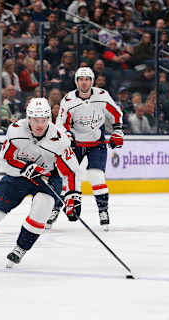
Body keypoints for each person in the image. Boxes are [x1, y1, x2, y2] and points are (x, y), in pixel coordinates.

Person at [0, 98, 81, 267]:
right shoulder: (16, 130)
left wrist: (73, 198)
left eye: (44, 120)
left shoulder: (60, 139)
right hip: (19, 175)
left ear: (49, 119)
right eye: (35, 120)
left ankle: (20, 249)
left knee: (42, 206)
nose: (40, 124)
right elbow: (6, 161)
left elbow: (71, 171)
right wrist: (26, 168)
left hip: (48, 177)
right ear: (28, 118)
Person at [51, 67, 123, 231]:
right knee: (66, 178)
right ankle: (55, 208)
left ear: (92, 81)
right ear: (76, 81)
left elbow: (116, 115)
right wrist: (66, 135)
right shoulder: (68, 100)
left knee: (96, 175)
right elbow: (61, 124)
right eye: (81, 79)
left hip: (96, 144)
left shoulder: (102, 96)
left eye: (87, 79)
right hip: (75, 145)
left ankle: (103, 210)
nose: (84, 82)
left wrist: (118, 131)